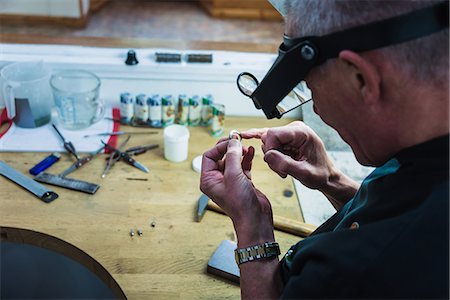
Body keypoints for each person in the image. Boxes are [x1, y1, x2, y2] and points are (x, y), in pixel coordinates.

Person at [200, 0, 449, 299]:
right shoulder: (427, 148)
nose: (317, 110)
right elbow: (393, 208)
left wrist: (253, 228)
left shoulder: (360, 272)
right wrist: (331, 180)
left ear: (361, 78)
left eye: (311, 85)